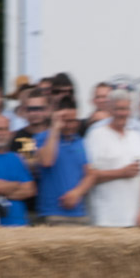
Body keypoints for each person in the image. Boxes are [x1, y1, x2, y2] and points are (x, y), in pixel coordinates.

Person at [84, 88, 140, 227]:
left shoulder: (138, 137)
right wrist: (121, 173)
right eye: (117, 109)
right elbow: (89, 175)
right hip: (105, 218)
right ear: (109, 110)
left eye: (125, 109)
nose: (122, 113)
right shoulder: (96, 135)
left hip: (134, 219)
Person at [36, 96, 94, 225]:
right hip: (52, 214)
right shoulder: (42, 138)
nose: (70, 125)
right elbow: (47, 160)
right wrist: (55, 129)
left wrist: (76, 193)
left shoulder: (80, 141)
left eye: (73, 121)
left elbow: (90, 174)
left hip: (79, 214)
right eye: (66, 121)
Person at [0, 114, 36, 226]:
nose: (1, 133)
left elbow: (30, 190)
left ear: (10, 133)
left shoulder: (17, 159)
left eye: (5, 129)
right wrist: (16, 185)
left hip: (19, 223)